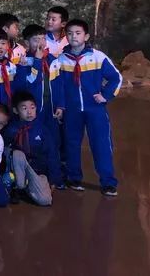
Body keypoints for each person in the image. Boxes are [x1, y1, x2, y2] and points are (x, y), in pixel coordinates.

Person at [50, 19, 122, 196]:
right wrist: (61, 106)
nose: (73, 36)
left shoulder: (98, 57)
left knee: (101, 144)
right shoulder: (61, 60)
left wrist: (105, 95)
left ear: (86, 36)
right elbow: (57, 86)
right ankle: (74, 178)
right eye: (70, 33)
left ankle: (108, 182)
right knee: (71, 144)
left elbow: (116, 78)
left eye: (78, 33)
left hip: (95, 109)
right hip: (72, 111)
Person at [3, 91, 62, 206]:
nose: (29, 112)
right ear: (16, 110)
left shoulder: (43, 130)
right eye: (24, 108)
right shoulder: (11, 129)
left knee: (45, 200)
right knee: (17, 154)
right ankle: (17, 186)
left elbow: (52, 155)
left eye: (32, 107)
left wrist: (53, 179)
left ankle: (27, 188)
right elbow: (3, 149)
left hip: (36, 171)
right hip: (16, 168)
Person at [20, 24, 64, 150]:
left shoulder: (53, 60)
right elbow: (29, 83)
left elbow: (60, 84)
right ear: (27, 43)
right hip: (34, 107)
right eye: (36, 40)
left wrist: (61, 105)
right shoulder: (23, 62)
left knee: (54, 139)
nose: (41, 43)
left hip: (51, 106)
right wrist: (37, 61)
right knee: (34, 139)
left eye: (43, 39)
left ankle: (54, 161)